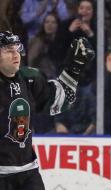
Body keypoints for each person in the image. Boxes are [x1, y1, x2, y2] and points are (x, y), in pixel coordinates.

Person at [0, 31, 94, 190]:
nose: (15, 54)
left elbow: (62, 100)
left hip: (28, 172)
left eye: (17, 48)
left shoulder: (29, 79)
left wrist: (74, 67)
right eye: (9, 50)